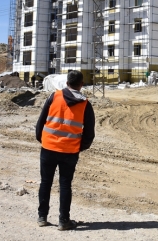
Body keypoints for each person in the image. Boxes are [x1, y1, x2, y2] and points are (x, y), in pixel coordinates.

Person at [35, 70, 95, 230]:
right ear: (81, 84)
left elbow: (41, 121)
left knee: (45, 182)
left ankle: (42, 217)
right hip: (70, 151)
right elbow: (89, 133)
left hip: (48, 147)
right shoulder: (85, 103)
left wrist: (42, 139)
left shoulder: (54, 96)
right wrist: (78, 147)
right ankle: (64, 221)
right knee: (65, 184)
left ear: (67, 83)